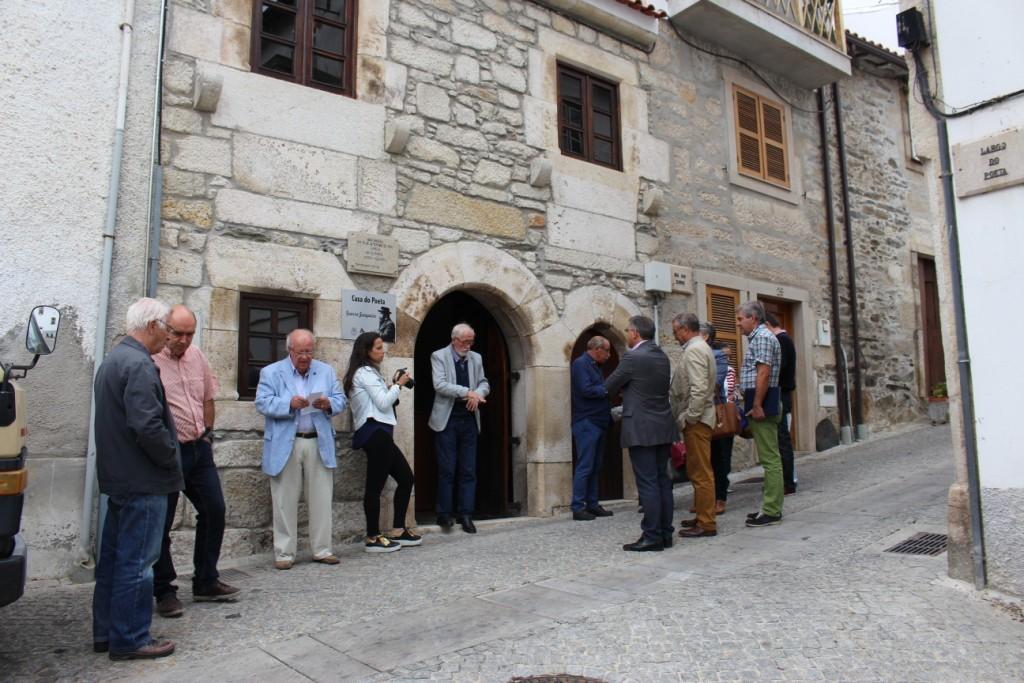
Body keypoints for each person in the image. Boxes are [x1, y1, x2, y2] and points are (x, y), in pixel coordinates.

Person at [92, 297, 182, 660]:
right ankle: (130, 638)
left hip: (120, 477)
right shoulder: (140, 365)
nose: (168, 336)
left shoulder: (113, 360)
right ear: (151, 326)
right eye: (166, 328)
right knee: (138, 563)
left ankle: (107, 633)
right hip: (143, 479)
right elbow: (147, 426)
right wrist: (170, 457)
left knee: (114, 561)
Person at [150, 305, 239, 619]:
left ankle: (205, 579)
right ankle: (164, 590)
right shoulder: (151, 360)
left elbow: (208, 398)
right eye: (178, 334)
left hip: (198, 450)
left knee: (214, 509)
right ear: (165, 329)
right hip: (168, 453)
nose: (184, 341)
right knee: (162, 523)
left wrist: (208, 435)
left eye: (190, 334)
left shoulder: (197, 356)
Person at [255, 329, 347, 569]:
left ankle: (322, 549)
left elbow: (341, 400)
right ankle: (284, 553)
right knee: (284, 499)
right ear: (290, 351)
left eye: (309, 351)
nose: (305, 357)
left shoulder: (325, 371)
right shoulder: (271, 372)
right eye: (300, 352)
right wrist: (288, 403)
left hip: (318, 440)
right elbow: (262, 402)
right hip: (288, 440)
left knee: (321, 497)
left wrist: (328, 404)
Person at [605, 316, 680, 552]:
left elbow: (609, 386)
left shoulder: (633, 357)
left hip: (640, 427)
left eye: (627, 330)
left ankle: (652, 536)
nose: (626, 334)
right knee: (663, 481)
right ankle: (666, 533)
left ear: (635, 333)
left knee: (647, 484)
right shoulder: (661, 355)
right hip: (662, 425)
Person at [343, 332, 421, 553]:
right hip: (373, 432)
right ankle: (372, 536)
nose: (383, 350)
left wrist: (393, 386)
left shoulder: (370, 373)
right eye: (378, 347)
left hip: (381, 433)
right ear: (366, 351)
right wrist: (398, 384)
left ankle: (398, 529)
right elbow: (384, 402)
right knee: (375, 486)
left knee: (406, 478)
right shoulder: (364, 373)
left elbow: (381, 400)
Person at [429, 323, 490, 534]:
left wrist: (478, 394)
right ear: (454, 340)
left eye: (471, 341)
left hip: (470, 420)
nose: (469, 346)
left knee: (468, 469)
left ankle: (466, 514)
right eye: (465, 342)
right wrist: (468, 392)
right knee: (447, 469)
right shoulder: (438, 356)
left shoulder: (477, 358)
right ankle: (444, 515)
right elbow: (440, 385)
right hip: (447, 420)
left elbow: (484, 382)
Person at [670, 313, 718, 539]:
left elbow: (699, 388)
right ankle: (702, 514)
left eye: (676, 331)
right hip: (698, 419)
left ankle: (707, 522)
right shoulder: (699, 347)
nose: (674, 336)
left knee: (701, 473)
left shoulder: (695, 349)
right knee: (698, 471)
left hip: (697, 421)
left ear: (685, 329)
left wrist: (690, 417)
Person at [736, 302, 784, 527]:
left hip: (763, 403)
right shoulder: (759, 337)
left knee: (770, 458)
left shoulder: (763, 337)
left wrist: (756, 404)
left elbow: (763, 373)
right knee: (769, 457)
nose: (737, 324)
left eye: (740, 319)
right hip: (762, 401)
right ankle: (769, 506)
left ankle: (772, 510)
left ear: (753, 318)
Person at [570, 336, 614, 521]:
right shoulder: (581, 364)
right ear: (597, 350)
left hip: (598, 421)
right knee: (585, 465)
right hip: (587, 422)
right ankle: (578, 507)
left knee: (595, 466)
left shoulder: (595, 366)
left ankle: (593, 504)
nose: (609, 355)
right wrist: (606, 388)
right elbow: (585, 389)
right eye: (607, 351)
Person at [700, 322, 737, 514]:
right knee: (703, 458)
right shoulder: (693, 354)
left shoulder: (719, 356)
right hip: (700, 413)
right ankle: (705, 498)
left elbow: (715, 382)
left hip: (717, 412)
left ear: (705, 337)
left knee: (720, 458)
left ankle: (720, 497)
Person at [765, 312, 798, 495]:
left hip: (781, 394)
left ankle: (787, 482)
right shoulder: (784, 340)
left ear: (769, 325)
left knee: (781, 439)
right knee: (779, 439)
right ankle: (785, 480)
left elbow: (779, 369)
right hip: (782, 394)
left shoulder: (782, 341)